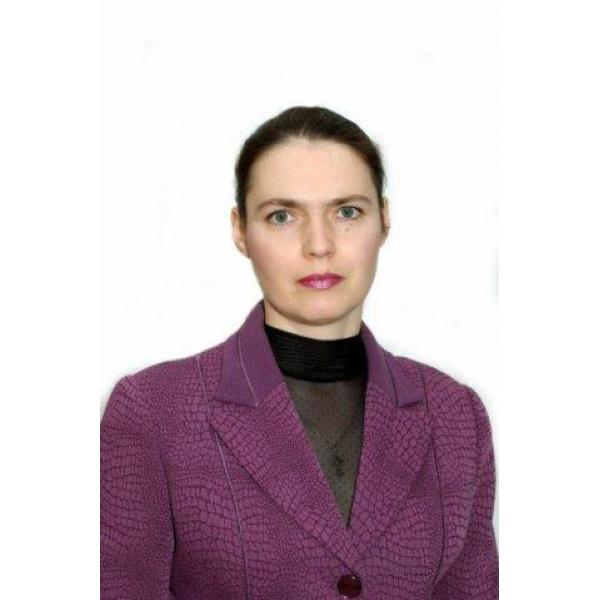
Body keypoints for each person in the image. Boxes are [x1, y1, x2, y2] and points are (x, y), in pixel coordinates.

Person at [100, 106, 499, 599]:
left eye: (346, 212)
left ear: (385, 220)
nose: (319, 245)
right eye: (282, 216)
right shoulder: (153, 411)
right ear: (241, 230)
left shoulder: (456, 414)